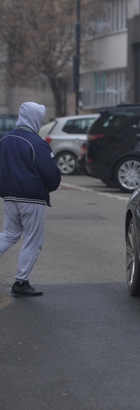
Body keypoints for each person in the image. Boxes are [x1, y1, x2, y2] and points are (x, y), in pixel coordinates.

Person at [0, 102, 61, 297]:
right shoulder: (36, 142)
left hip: (10, 196)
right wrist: (50, 187)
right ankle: (21, 281)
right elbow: (51, 172)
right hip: (32, 198)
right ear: (36, 118)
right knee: (33, 240)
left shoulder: (5, 139)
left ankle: (21, 281)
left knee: (9, 234)